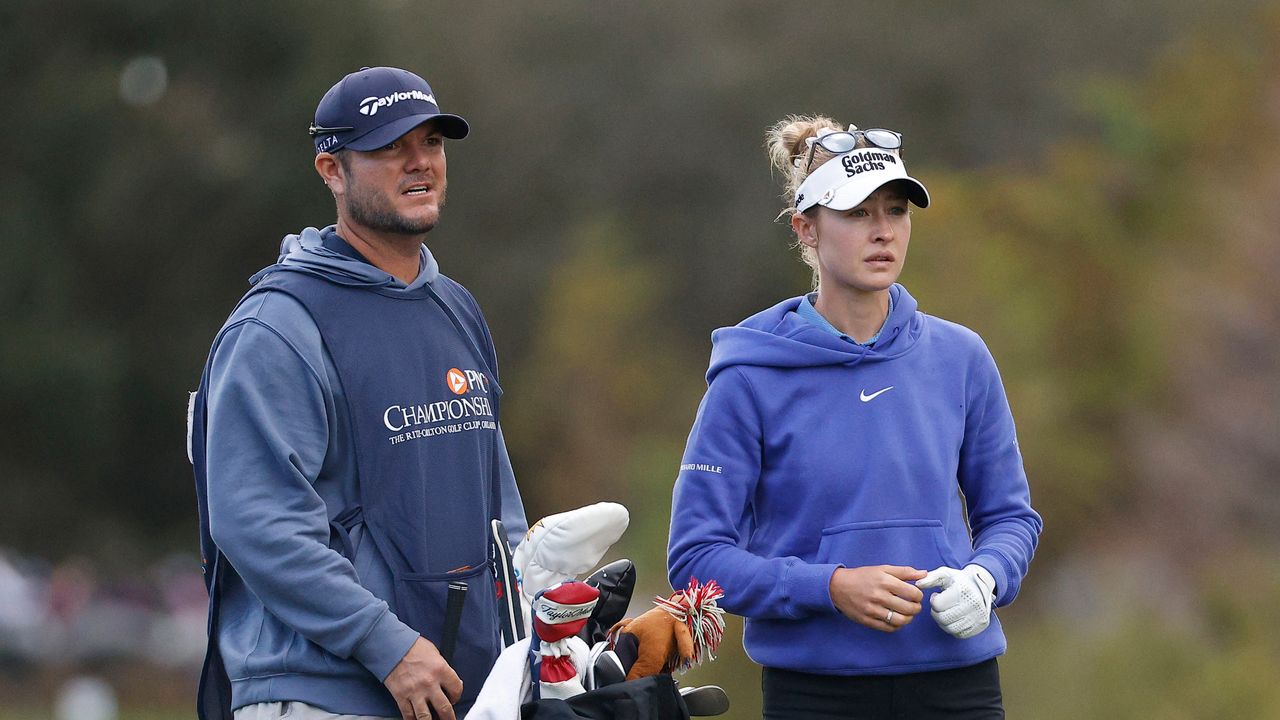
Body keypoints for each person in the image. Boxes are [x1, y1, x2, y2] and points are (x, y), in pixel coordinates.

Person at [666, 115, 1043, 719]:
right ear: (806, 229)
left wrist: (987, 578)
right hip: (817, 694)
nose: (883, 232)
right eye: (857, 213)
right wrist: (830, 588)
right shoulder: (749, 376)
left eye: (895, 210)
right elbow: (697, 559)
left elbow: (1010, 517)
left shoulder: (961, 358)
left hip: (959, 687)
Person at [188, 67, 528, 720]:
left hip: (449, 690)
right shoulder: (278, 328)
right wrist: (385, 644)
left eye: (430, 142)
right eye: (387, 148)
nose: (418, 163)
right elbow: (257, 521)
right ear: (332, 170)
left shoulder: (455, 308)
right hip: (322, 691)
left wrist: (546, 619)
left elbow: (497, 511)